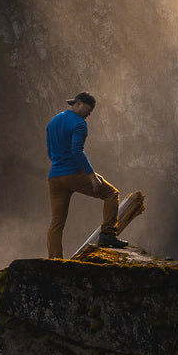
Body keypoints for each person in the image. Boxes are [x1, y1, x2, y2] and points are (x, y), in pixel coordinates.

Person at [45, 91, 128, 258]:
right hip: (73, 173)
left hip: (54, 177)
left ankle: (55, 261)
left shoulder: (53, 122)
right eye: (88, 110)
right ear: (79, 103)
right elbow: (77, 151)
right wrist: (91, 176)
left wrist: (59, 165)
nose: (88, 115)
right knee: (112, 194)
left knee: (57, 223)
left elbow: (50, 151)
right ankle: (107, 235)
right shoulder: (79, 124)